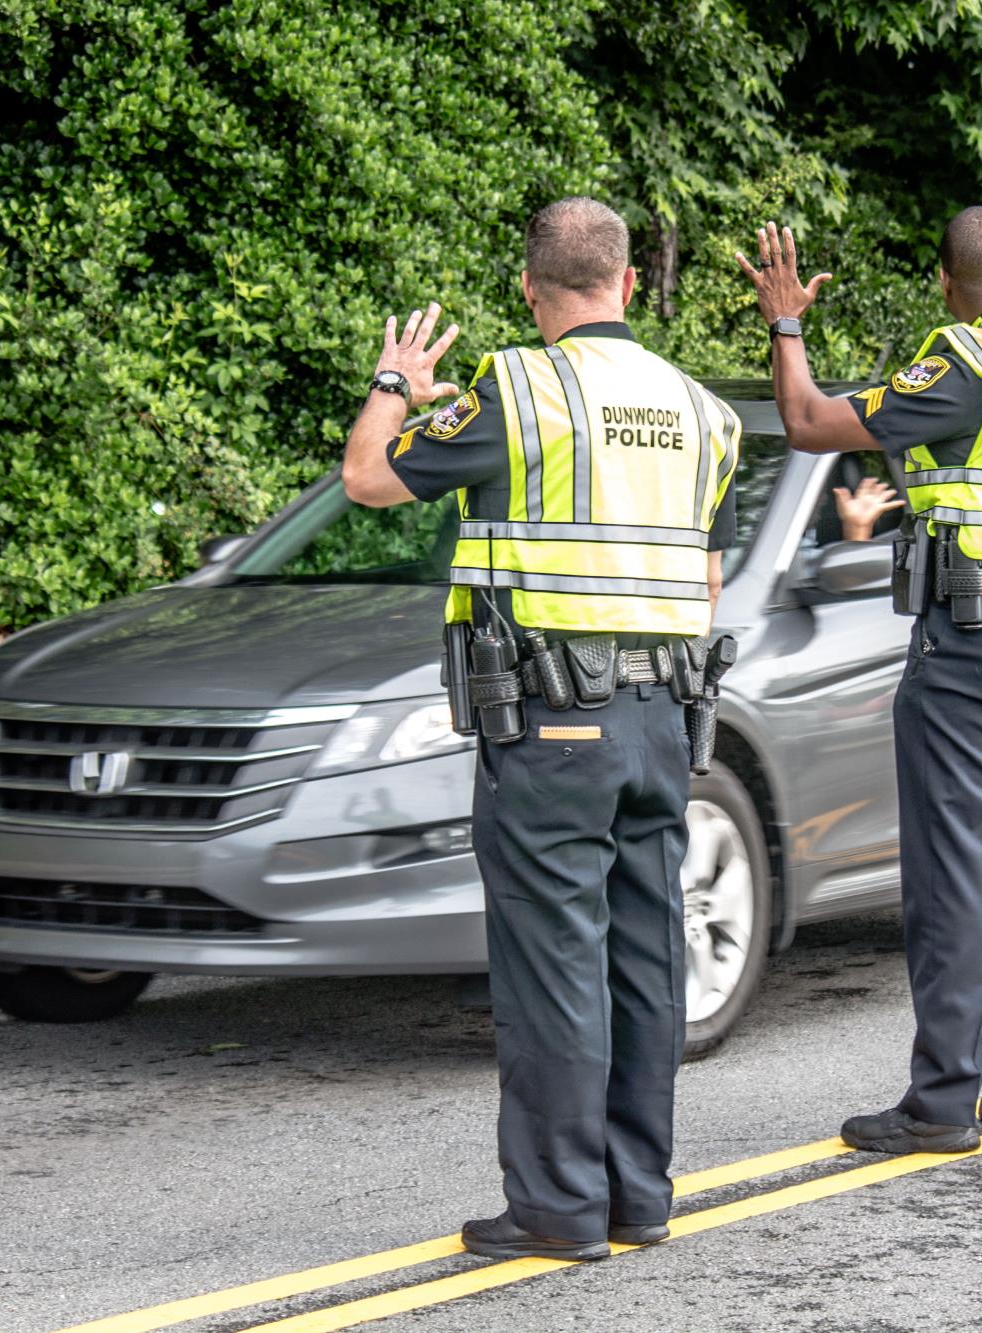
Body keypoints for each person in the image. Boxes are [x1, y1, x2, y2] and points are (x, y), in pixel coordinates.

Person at [340, 197, 740, 1258]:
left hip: (552, 724)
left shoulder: (519, 389)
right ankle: (635, 1197)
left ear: (529, 287)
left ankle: (557, 1209)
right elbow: (705, 580)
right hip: (665, 717)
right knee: (644, 956)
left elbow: (368, 479)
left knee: (553, 961)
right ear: (627, 282)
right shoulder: (703, 413)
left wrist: (394, 389)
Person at [736, 206, 982, 1154]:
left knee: (957, 860)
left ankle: (943, 1098)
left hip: (973, 635)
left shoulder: (962, 364)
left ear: (946, 284)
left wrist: (786, 323)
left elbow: (806, 422)